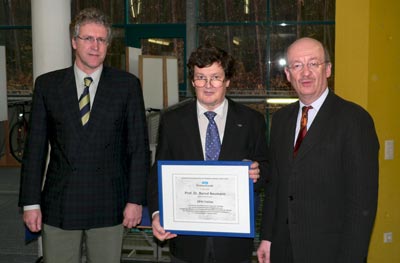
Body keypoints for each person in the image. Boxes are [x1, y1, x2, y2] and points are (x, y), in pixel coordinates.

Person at [18, 8, 149, 263]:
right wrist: (31, 202)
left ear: (108, 45)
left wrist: (136, 200)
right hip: (61, 202)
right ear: (74, 42)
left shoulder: (127, 86)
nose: (95, 46)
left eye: (101, 40)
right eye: (88, 38)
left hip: (109, 201)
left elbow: (138, 149)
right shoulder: (48, 86)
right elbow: (35, 149)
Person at [257, 37, 379, 263]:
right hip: (284, 249)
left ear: (328, 69)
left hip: (331, 252)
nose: (305, 73)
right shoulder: (281, 120)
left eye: (313, 63)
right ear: (287, 74)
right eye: (297, 65)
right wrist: (267, 238)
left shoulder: (355, 120)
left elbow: (362, 203)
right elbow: (276, 186)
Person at [147, 44, 269, 263]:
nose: (208, 85)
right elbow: (159, 172)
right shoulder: (172, 120)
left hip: (233, 242)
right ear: (193, 82)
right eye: (201, 77)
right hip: (186, 240)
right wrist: (157, 214)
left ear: (228, 81)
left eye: (215, 77)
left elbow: (267, 169)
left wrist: (256, 173)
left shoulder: (252, 121)